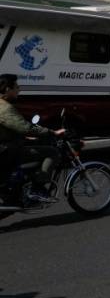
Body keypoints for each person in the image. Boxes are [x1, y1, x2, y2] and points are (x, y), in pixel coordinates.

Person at [0, 74, 65, 203]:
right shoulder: (5, 108)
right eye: (16, 87)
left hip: (5, 146)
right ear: (7, 89)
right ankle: (37, 189)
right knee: (51, 152)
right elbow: (25, 127)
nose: (19, 90)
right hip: (6, 151)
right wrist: (52, 132)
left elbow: (9, 128)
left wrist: (23, 136)